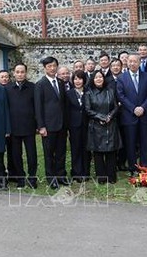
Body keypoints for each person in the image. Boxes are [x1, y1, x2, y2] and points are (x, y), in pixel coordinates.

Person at [116, 53, 147, 177]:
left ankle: (144, 167)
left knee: (144, 143)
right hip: (129, 116)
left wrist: (143, 107)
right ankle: (132, 167)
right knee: (130, 143)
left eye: (135, 61)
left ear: (139, 63)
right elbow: (121, 96)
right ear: (127, 63)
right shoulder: (122, 78)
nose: (132, 64)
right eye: (130, 61)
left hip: (144, 115)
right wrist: (133, 109)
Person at [34, 56, 69, 189]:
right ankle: (51, 178)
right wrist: (41, 126)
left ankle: (61, 175)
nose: (52, 68)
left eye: (54, 66)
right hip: (48, 126)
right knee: (49, 154)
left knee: (61, 152)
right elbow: (38, 107)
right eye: (49, 66)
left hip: (61, 125)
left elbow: (63, 104)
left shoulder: (60, 82)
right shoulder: (40, 84)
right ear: (45, 68)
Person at [6, 63, 39, 189]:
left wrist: (37, 124)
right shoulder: (8, 89)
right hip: (14, 128)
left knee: (31, 154)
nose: (20, 74)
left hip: (29, 126)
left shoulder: (33, 87)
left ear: (26, 73)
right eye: (17, 72)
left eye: (22, 72)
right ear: (14, 73)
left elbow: (37, 107)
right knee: (16, 154)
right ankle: (20, 177)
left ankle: (32, 177)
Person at [85, 70, 121, 184]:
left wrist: (109, 116)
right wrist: (100, 117)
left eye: (101, 77)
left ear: (104, 79)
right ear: (93, 80)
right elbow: (88, 110)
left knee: (111, 151)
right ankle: (101, 177)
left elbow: (116, 106)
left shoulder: (110, 91)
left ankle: (111, 176)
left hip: (110, 124)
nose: (99, 79)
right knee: (98, 153)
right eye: (96, 77)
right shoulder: (89, 93)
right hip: (96, 125)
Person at [66, 70, 90, 182]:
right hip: (74, 125)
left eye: (80, 78)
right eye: (75, 79)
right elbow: (66, 110)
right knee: (75, 149)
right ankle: (76, 172)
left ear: (84, 80)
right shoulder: (69, 93)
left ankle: (86, 172)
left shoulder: (88, 92)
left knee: (86, 149)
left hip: (87, 124)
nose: (77, 81)